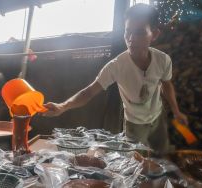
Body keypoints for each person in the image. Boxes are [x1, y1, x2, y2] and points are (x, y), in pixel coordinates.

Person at [43, 4, 188, 155]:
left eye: (139, 32)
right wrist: (63, 106)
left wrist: (176, 112)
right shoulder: (116, 66)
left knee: (161, 154)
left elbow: (166, 84)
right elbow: (90, 91)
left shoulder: (163, 60)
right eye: (128, 32)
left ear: (155, 34)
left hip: (157, 118)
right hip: (134, 124)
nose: (131, 39)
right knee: (138, 162)